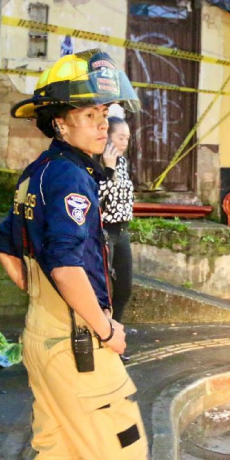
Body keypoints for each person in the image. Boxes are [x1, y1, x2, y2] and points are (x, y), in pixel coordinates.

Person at [0, 49, 149, 460]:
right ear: (60, 122)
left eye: (104, 112)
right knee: (121, 459)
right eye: (88, 114)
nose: (103, 124)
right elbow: (65, 266)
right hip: (78, 342)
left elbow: (6, 246)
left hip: (44, 335)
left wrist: (42, 300)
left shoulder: (38, 171)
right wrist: (104, 328)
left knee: (58, 454)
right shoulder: (71, 178)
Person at [100, 116, 134, 322]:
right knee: (102, 292)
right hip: (105, 231)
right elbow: (97, 196)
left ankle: (115, 331)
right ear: (107, 137)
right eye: (120, 137)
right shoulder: (97, 162)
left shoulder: (123, 162)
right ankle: (102, 340)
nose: (124, 143)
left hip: (123, 232)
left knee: (124, 289)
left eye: (127, 139)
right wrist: (109, 169)